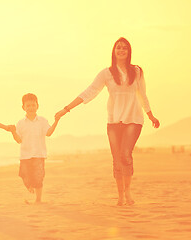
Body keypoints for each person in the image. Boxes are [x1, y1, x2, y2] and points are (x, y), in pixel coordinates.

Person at [55, 37, 160, 206]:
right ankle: (120, 196)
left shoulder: (137, 71)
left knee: (126, 154)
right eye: (118, 47)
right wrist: (66, 109)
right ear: (114, 51)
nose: (121, 50)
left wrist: (150, 115)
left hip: (134, 119)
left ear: (129, 51)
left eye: (124, 47)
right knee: (117, 158)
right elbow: (89, 91)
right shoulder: (106, 73)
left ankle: (128, 192)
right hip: (114, 122)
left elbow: (142, 95)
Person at [10, 93, 60, 204]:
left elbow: (49, 133)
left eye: (33, 105)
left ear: (38, 106)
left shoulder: (42, 121)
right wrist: (13, 132)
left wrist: (56, 121)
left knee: (38, 177)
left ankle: (38, 199)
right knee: (24, 174)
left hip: (39, 154)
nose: (31, 108)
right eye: (28, 106)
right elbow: (18, 140)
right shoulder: (20, 123)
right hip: (25, 155)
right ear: (23, 107)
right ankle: (29, 186)